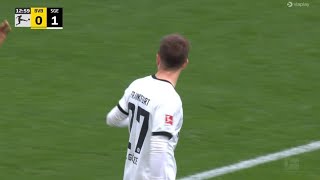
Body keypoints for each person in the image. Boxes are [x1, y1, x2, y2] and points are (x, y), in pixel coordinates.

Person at [106, 34, 190, 180]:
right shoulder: (170, 99)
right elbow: (159, 145)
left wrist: (136, 121)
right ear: (185, 63)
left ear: (158, 58)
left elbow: (112, 119)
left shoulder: (137, 85)